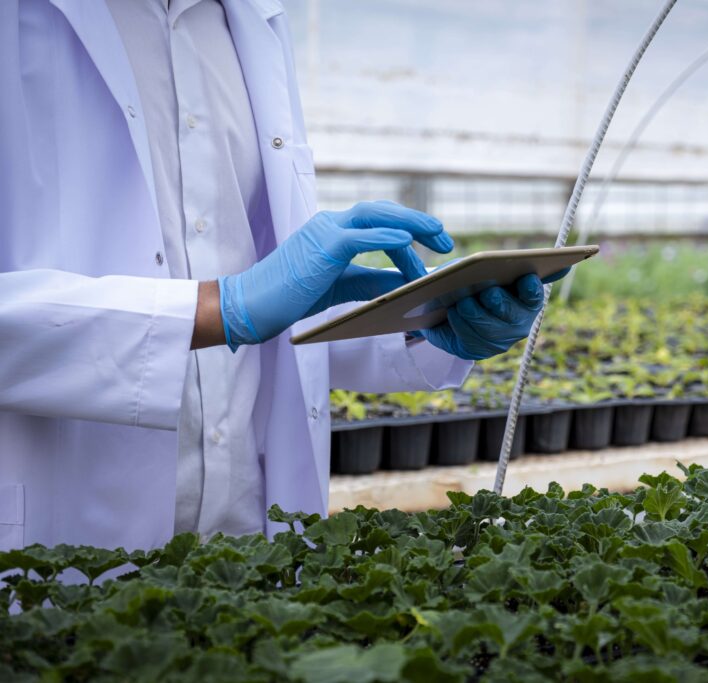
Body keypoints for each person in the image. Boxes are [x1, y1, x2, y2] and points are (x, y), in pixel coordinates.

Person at [0, 0, 557, 552]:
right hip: (66, 534)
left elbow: (261, 288)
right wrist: (221, 308)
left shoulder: (253, 22)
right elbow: (235, 303)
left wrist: (419, 320)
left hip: (248, 535)